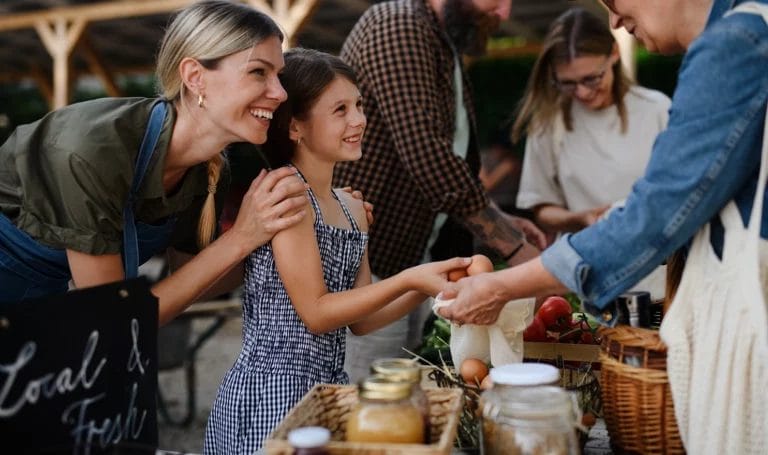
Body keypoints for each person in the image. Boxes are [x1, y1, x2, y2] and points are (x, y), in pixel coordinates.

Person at [438, 0, 767, 451]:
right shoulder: (753, 28)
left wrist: (501, 287)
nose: (612, 20)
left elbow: (652, 219)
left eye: (613, 1)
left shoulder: (733, 44)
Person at [203, 48, 471, 453]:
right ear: (295, 128)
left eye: (359, 105)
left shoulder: (351, 209)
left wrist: (427, 286)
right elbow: (317, 313)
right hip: (272, 394)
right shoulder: (286, 197)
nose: (359, 120)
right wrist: (408, 277)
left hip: (327, 391)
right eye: (340, 110)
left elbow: (361, 321)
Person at [0, 0, 309, 324]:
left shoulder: (210, 173)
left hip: (34, 313)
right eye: (259, 71)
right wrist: (241, 237)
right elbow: (113, 320)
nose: (280, 93)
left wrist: (286, 236)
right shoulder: (91, 151)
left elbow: (197, 279)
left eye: (279, 75)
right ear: (195, 77)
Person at [333, 0, 547, 382]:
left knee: (406, 397)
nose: (504, 14)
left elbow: (453, 160)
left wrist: (501, 219)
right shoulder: (398, 25)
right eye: (496, 1)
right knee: (376, 401)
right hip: (370, 266)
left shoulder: (439, 41)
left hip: (410, 260)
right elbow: (426, 152)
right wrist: (514, 247)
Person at [513, 7, 670, 238]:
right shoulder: (548, 122)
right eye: (567, 83)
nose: (583, 92)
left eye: (591, 78)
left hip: (656, 256)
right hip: (583, 258)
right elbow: (540, 205)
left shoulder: (656, 108)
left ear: (614, 54)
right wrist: (579, 219)